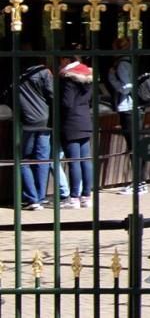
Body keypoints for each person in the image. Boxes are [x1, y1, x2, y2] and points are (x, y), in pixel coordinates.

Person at [14, 55, 55, 209]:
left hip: (27, 121)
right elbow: (52, 95)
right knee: (42, 159)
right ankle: (40, 195)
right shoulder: (44, 71)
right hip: (45, 120)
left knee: (23, 160)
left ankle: (32, 199)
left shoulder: (14, 73)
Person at [111, 39, 149, 194]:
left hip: (128, 108)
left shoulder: (122, 64)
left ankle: (139, 182)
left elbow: (126, 88)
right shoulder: (134, 61)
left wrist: (112, 78)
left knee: (133, 145)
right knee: (137, 145)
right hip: (137, 107)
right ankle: (141, 181)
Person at [58, 51, 95, 209]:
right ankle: (86, 196)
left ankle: (74, 198)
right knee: (85, 160)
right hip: (85, 120)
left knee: (74, 161)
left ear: (67, 59)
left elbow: (66, 102)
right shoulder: (88, 76)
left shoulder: (68, 78)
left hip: (71, 122)